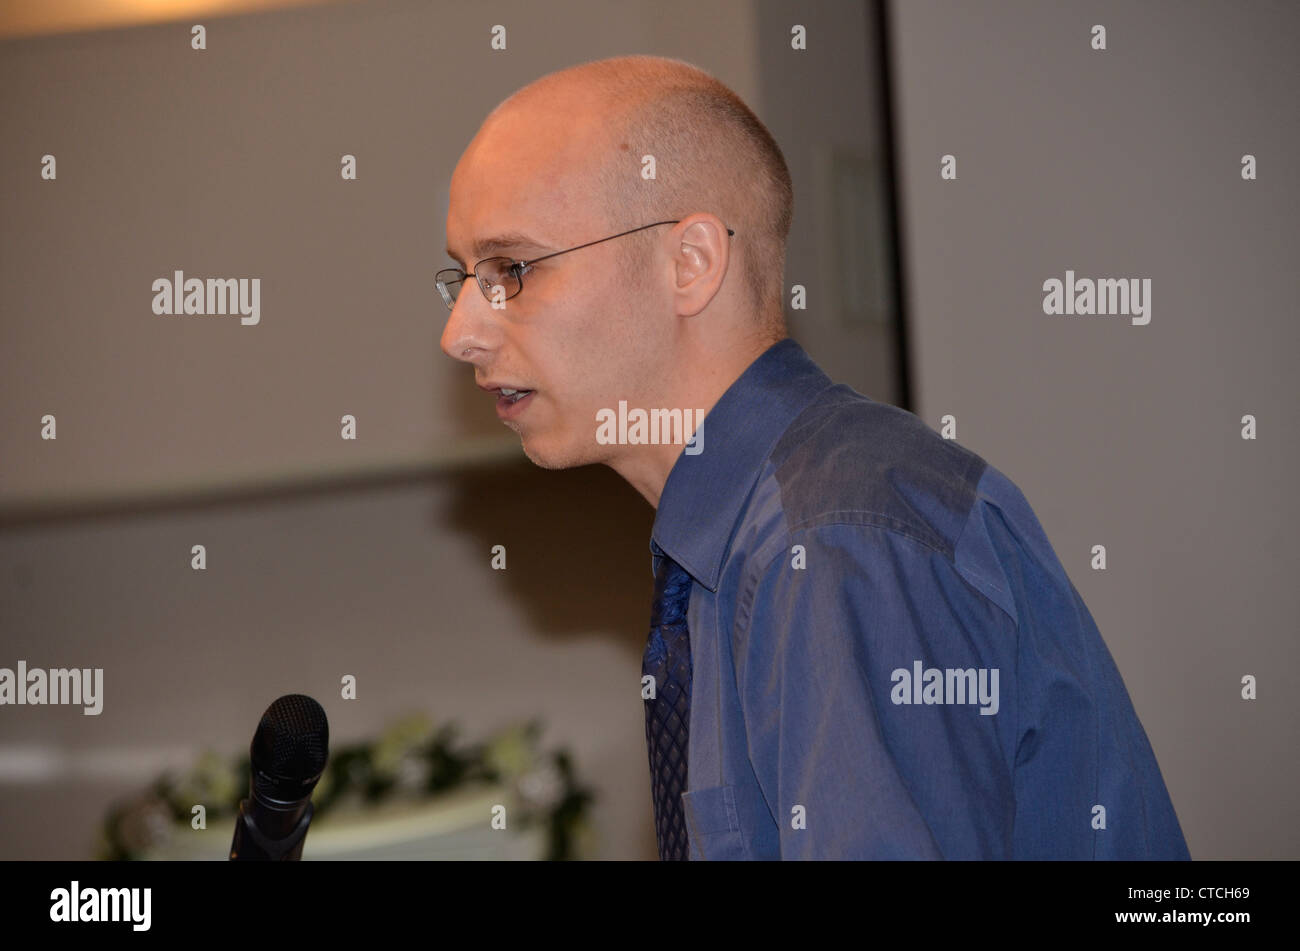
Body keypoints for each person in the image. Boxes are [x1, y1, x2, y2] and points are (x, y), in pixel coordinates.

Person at [437, 54, 1190, 860]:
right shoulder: (741, 550)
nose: (459, 334)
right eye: (461, 278)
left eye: (511, 270)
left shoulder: (832, 540)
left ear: (688, 264)